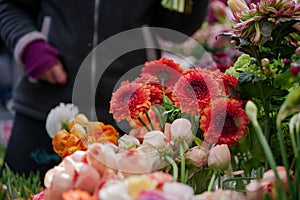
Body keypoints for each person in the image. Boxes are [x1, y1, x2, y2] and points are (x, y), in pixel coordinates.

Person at [0, 0, 209, 180]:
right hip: (46, 107)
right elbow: (9, 6)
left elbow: (177, 29)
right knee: (19, 190)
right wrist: (30, 46)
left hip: (128, 115)